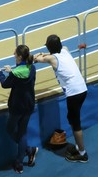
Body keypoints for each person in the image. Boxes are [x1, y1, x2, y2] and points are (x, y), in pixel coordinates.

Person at [32, 34, 89, 162]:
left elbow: (37, 59)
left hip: (74, 93)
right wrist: (45, 54)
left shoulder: (51, 59)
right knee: (72, 119)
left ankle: (82, 153)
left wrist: (39, 55)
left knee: (75, 123)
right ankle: (78, 147)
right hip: (82, 89)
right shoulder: (65, 50)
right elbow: (52, 53)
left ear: (49, 48)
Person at [0, 46, 36, 168]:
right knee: (22, 132)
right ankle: (20, 160)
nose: (13, 54)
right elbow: (21, 76)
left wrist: (0, 73)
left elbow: (5, 84)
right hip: (29, 104)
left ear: (19, 56)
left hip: (17, 106)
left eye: (15, 53)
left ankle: (27, 151)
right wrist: (12, 71)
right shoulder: (32, 68)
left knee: (10, 129)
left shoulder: (15, 73)